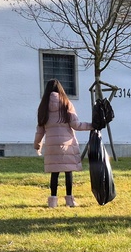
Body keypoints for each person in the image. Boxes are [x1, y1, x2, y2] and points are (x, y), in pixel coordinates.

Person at [34, 79, 94, 208]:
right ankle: (70, 200)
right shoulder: (67, 104)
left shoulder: (43, 107)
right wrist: (92, 126)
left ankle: (53, 201)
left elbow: (40, 130)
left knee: (54, 173)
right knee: (68, 172)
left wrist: (37, 145)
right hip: (67, 144)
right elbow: (76, 125)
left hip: (51, 145)